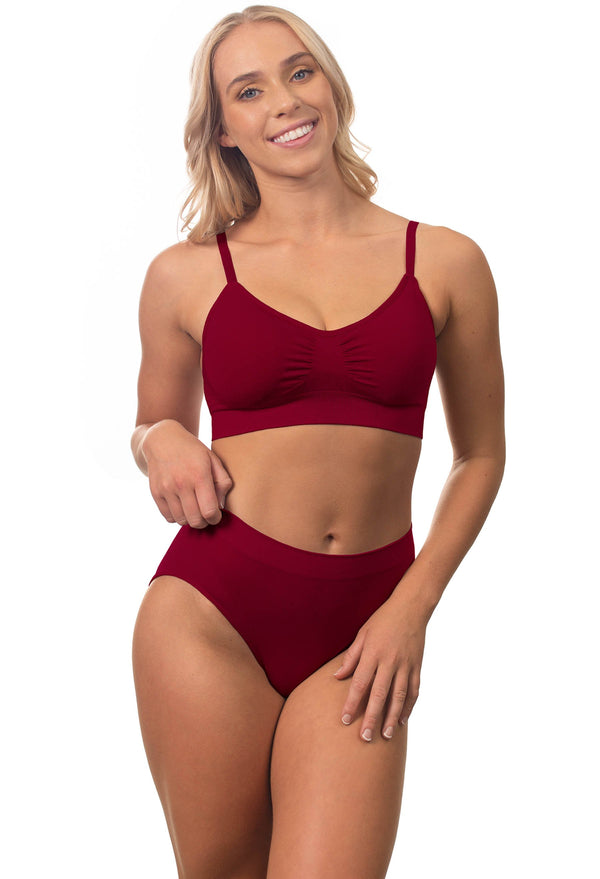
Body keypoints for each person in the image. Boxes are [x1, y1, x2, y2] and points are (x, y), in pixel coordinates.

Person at [130, 5, 505, 878]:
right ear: (224, 130)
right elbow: (152, 422)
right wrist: (160, 440)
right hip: (212, 614)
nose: (285, 102)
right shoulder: (185, 274)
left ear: (331, 85)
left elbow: (481, 454)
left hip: (369, 626)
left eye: (299, 72)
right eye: (249, 90)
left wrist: (411, 608)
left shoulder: (445, 260)